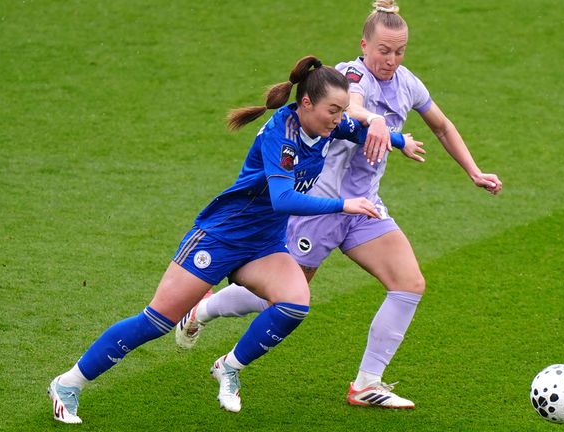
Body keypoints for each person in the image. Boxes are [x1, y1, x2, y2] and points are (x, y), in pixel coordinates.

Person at [46, 55, 422, 424]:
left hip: (264, 243)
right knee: (157, 321)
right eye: (334, 111)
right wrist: (346, 203)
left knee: (295, 304)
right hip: (221, 236)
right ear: (305, 103)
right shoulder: (282, 134)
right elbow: (283, 199)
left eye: (343, 111)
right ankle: (67, 384)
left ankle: (228, 367)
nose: (340, 119)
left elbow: (359, 130)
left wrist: (399, 138)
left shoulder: (325, 126)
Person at [175, 0, 503, 410]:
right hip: (323, 207)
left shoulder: (407, 83)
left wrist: (473, 171)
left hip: (364, 208)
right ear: (364, 44)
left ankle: (367, 383)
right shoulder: (351, 75)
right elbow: (355, 104)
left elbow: (442, 125)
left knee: (409, 284)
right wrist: (374, 120)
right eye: (383, 50)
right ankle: (205, 309)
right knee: (283, 296)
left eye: (399, 51)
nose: (391, 59)